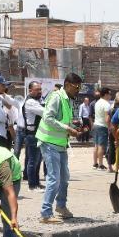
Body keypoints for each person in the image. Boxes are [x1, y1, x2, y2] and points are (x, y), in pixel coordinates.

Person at [37, 72, 82, 224]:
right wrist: (67, 128)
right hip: (49, 143)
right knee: (54, 179)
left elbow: (63, 119)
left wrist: (74, 127)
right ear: (68, 85)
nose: (78, 90)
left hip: (61, 144)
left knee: (64, 178)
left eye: (79, 87)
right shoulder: (56, 97)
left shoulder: (67, 99)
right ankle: (46, 213)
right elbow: (48, 118)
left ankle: (61, 206)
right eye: (76, 87)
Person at [20, 81, 45, 189]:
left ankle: (37, 182)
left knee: (38, 160)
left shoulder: (37, 100)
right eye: (37, 89)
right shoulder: (30, 102)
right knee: (33, 161)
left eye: (40, 89)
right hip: (32, 135)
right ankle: (32, 185)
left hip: (38, 134)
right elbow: (45, 112)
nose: (40, 91)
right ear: (30, 90)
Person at [92, 87, 112, 171]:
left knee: (96, 145)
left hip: (96, 124)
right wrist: (110, 127)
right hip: (102, 126)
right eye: (110, 94)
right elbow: (107, 118)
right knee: (101, 146)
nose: (110, 96)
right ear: (106, 94)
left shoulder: (97, 102)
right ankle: (100, 165)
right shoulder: (106, 104)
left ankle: (95, 164)